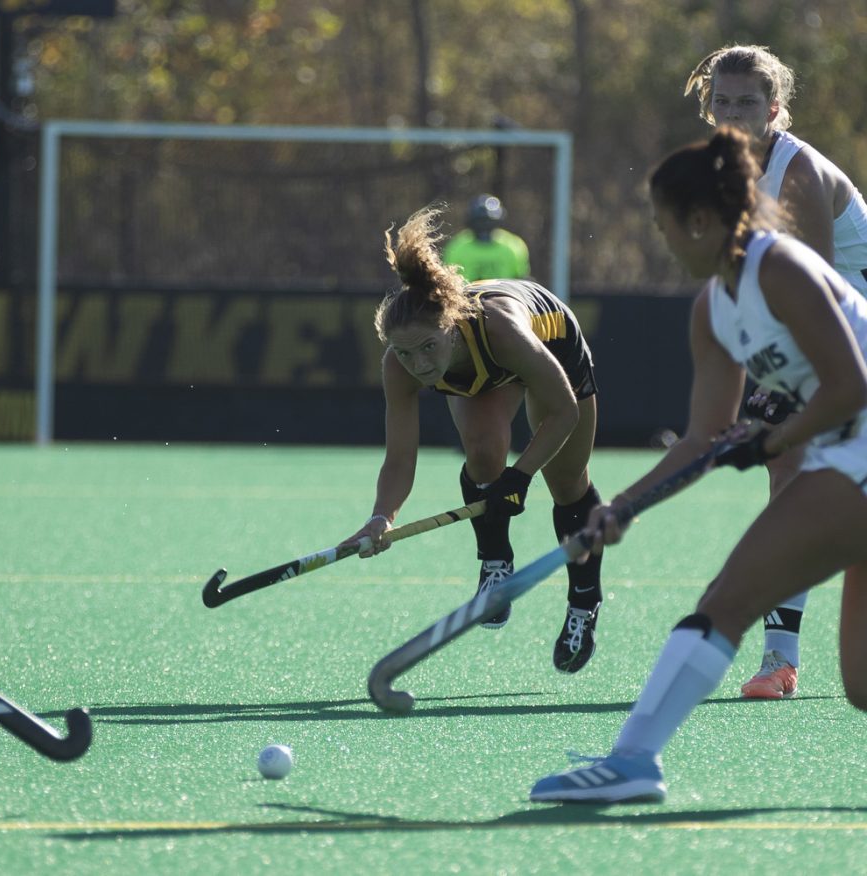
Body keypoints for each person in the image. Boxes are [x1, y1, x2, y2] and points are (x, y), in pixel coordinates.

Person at [530, 126, 867, 804]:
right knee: (861, 684)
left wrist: (773, 438)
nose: (660, 238)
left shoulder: (780, 267)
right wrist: (618, 507)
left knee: (728, 600)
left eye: (663, 224)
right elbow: (701, 438)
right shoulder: (713, 308)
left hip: (856, 445)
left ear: (703, 220)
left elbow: (850, 386)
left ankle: (631, 763)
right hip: (847, 449)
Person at [341, 205, 604, 673]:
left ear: (451, 329)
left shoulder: (499, 331)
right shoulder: (399, 365)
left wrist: (520, 476)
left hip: (553, 349)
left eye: (428, 347)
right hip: (481, 368)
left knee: (565, 483)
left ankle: (584, 601)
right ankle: (495, 563)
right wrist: (381, 518)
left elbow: (562, 411)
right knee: (483, 453)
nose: (420, 364)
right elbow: (400, 460)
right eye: (406, 353)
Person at [685, 44, 867, 699]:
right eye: (722, 102)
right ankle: (779, 660)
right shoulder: (722, 174)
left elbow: (809, 289)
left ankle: (777, 657)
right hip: (823, 343)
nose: (732, 114)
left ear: (776, 109)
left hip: (849, 339)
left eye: (747, 103)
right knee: (792, 476)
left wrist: (768, 391)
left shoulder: (796, 173)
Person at [442, 194, 531, 282]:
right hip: (464, 295)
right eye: (480, 221)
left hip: (505, 294)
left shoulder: (513, 246)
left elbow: (521, 279)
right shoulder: (457, 246)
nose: (484, 226)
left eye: (488, 222)